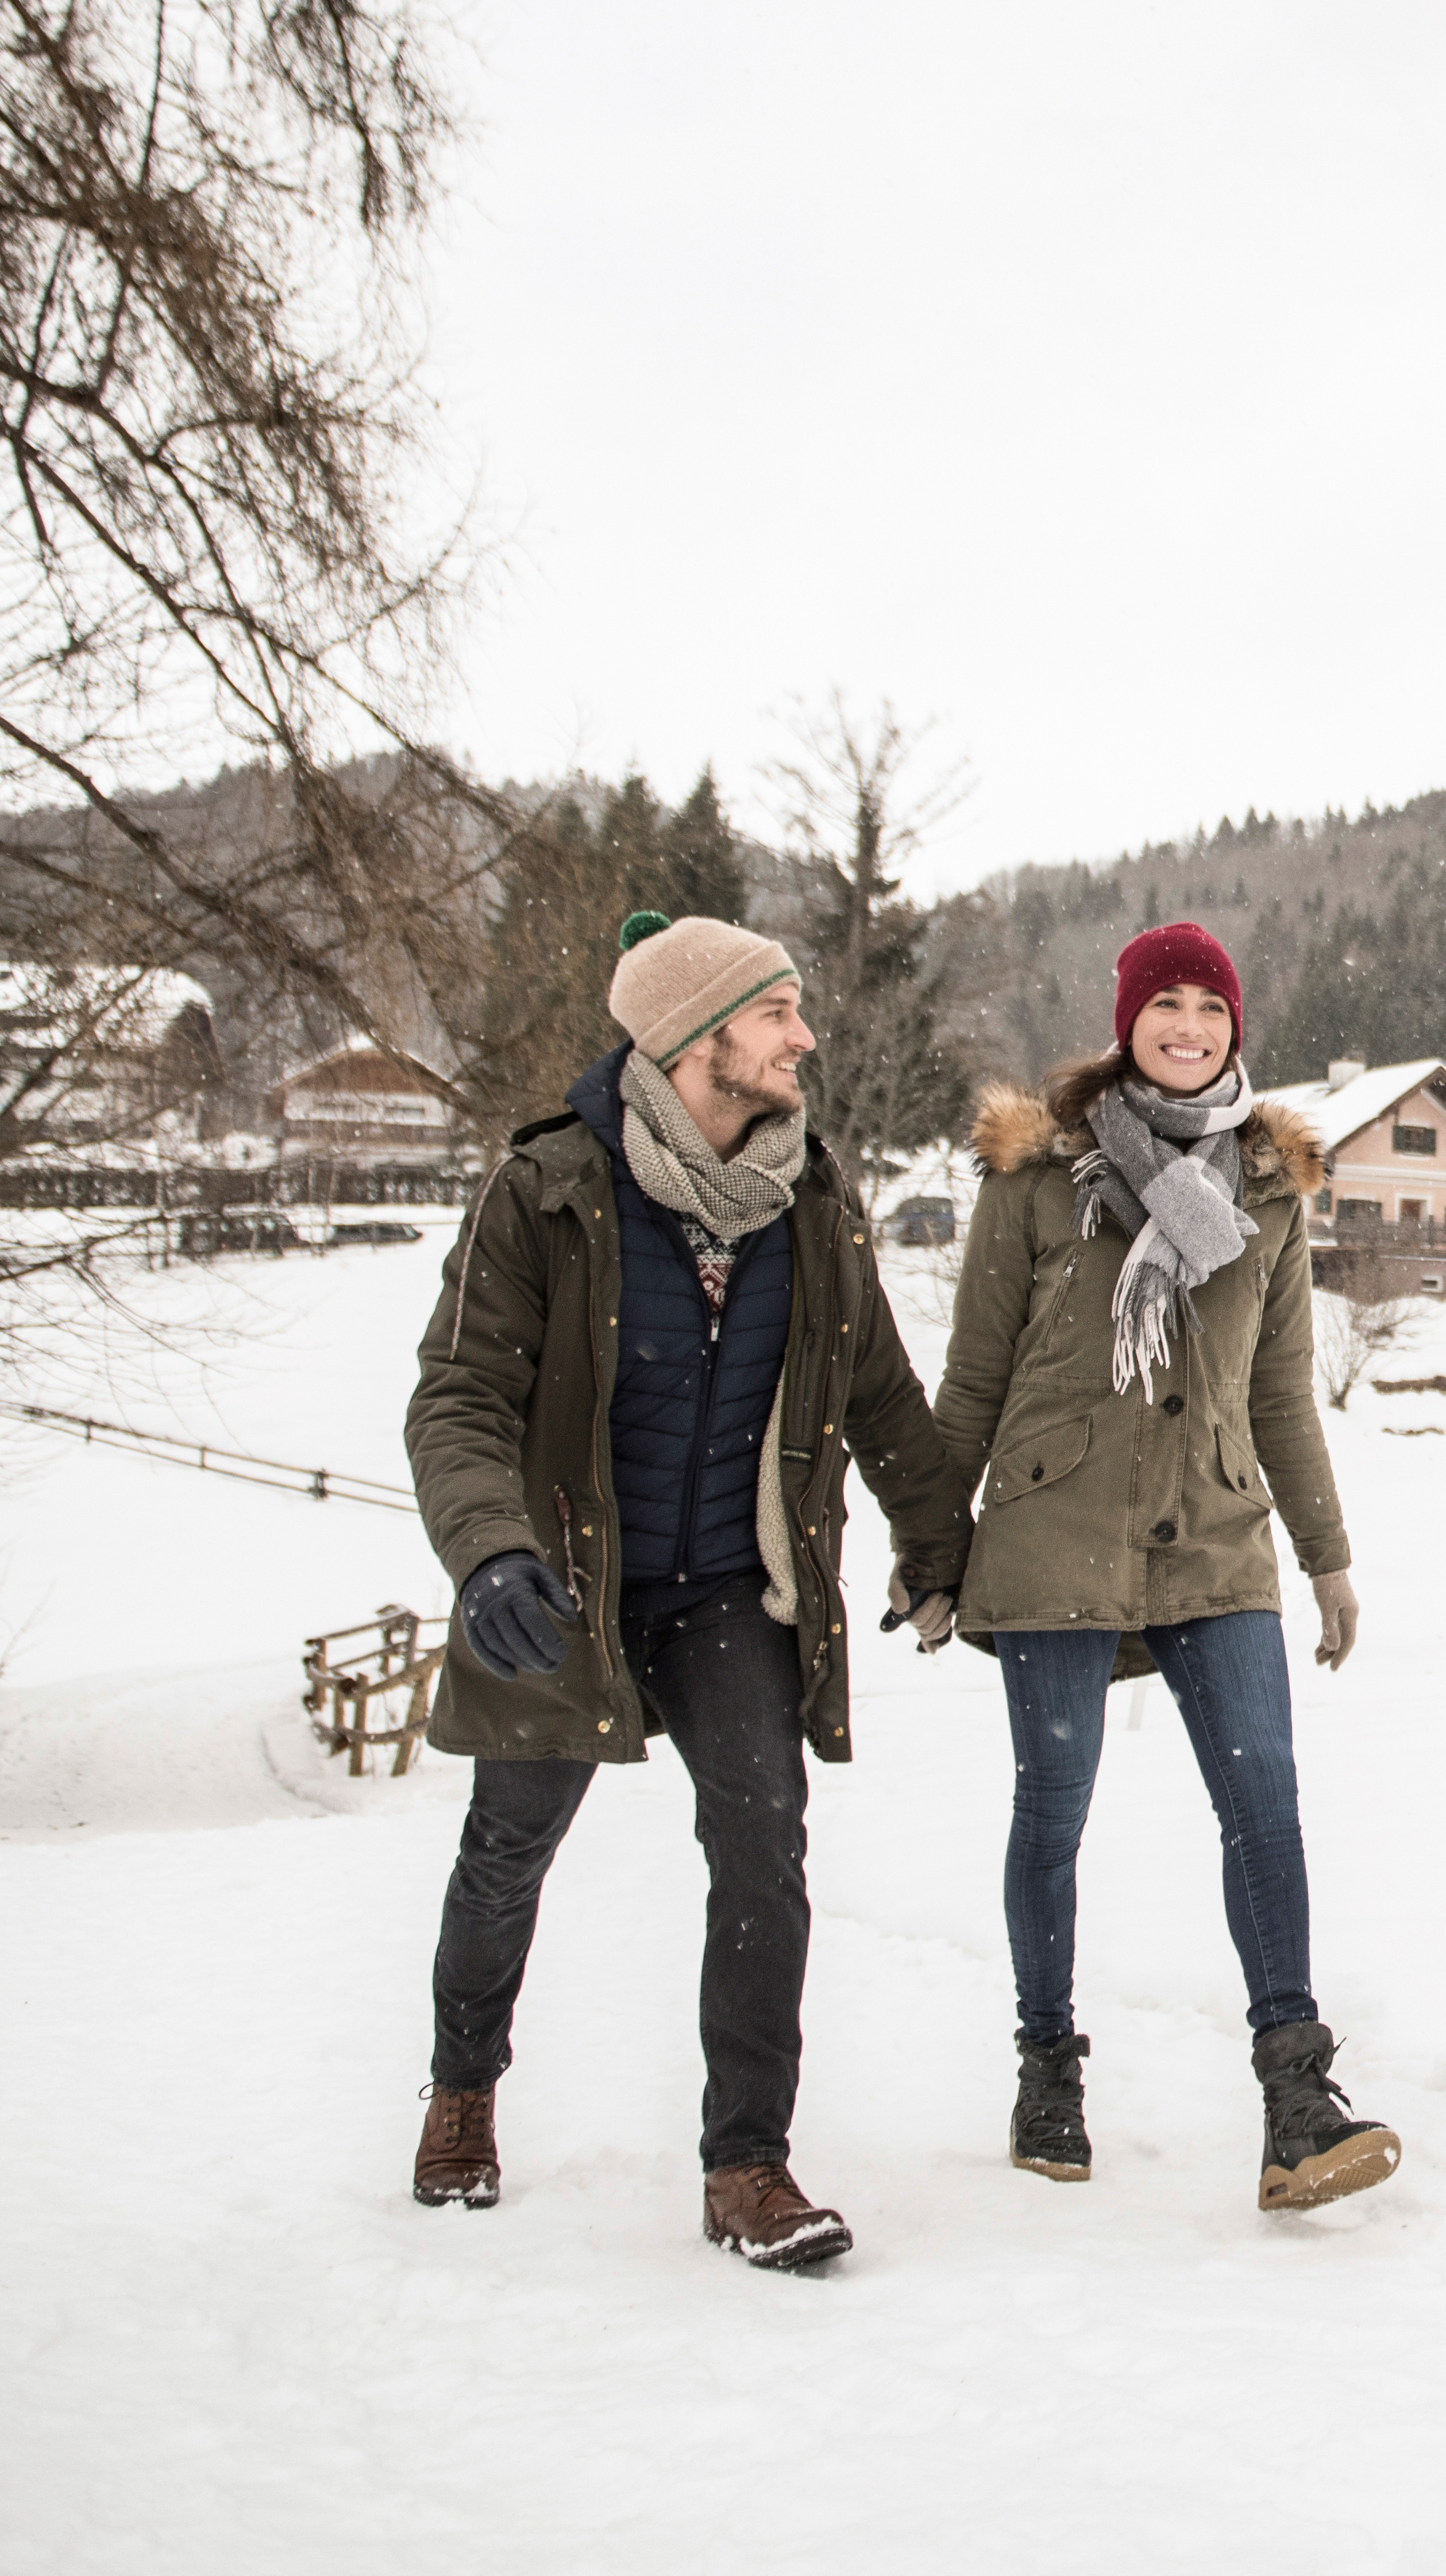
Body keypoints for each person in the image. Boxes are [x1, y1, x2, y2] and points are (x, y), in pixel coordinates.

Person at [400, 910, 969, 2270]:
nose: (804, 1038)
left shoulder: (813, 1203)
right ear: (695, 1035)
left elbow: (882, 1396)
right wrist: (488, 1552)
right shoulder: (544, 1190)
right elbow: (460, 1395)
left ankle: (747, 2164)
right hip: (563, 1581)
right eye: (777, 1013)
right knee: (506, 1850)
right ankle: (462, 2087)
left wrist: (938, 1541)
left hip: (729, 1583)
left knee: (764, 1843)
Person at [920, 918, 1397, 2211]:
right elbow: (971, 1378)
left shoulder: (1268, 1190)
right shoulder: (1037, 1179)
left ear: (1235, 1027)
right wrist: (931, 1548)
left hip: (1216, 1535)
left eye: (1209, 1005)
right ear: (1125, 1020)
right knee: (1055, 1805)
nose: (1187, 1025)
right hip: (1049, 1533)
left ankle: (1297, 2093)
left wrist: (1330, 1559)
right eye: (1164, 1003)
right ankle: (1047, 2062)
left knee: (1265, 1805)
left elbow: (1281, 1394)